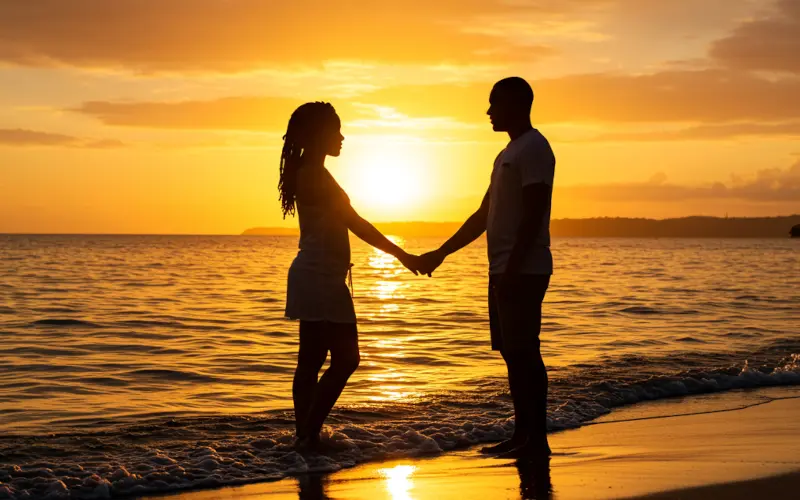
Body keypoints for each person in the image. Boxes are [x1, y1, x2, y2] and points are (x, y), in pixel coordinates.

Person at [418, 77, 556, 460]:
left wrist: (513, 266)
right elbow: (483, 215)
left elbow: (534, 211)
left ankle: (536, 440)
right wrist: (441, 252)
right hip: (503, 269)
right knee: (512, 354)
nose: (488, 111)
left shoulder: (535, 148)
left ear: (515, 104)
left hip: (522, 270)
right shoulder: (506, 154)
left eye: (494, 104)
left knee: (525, 352)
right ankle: (522, 435)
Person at [280, 101, 421, 451]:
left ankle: (305, 436)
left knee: (311, 361)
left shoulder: (312, 171)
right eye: (336, 130)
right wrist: (401, 254)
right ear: (319, 134)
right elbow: (356, 223)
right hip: (319, 277)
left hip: (319, 276)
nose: (342, 137)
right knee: (345, 359)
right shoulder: (313, 174)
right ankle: (307, 434)